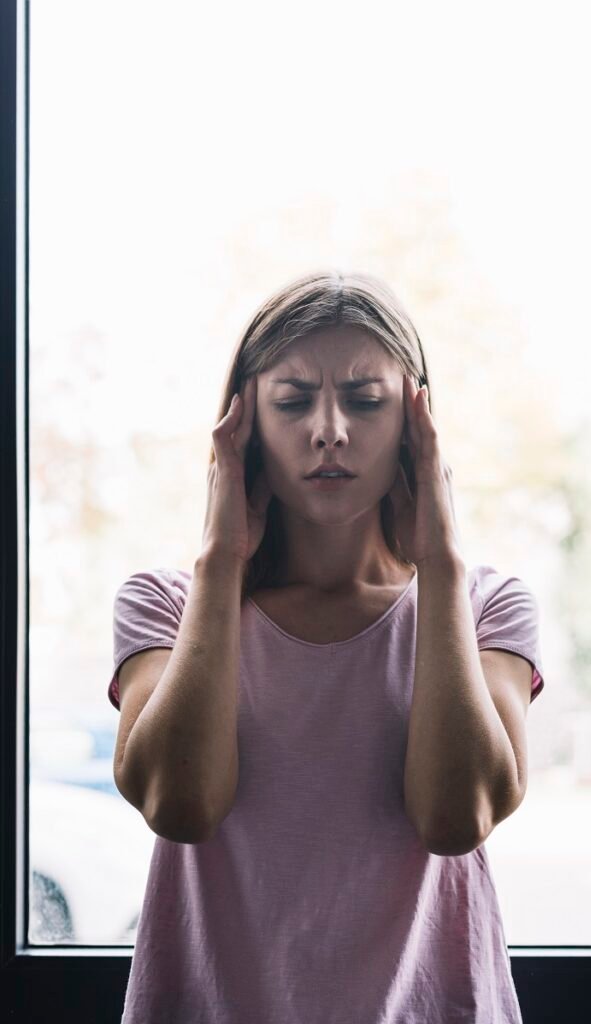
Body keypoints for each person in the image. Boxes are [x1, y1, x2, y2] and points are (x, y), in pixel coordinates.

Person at [108, 269, 545, 1023]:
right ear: (242, 425)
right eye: (293, 399)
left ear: (416, 425)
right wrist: (221, 561)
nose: (330, 430)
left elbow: (455, 818)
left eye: (366, 400)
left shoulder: (484, 607)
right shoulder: (166, 604)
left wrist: (439, 564)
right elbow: (179, 806)